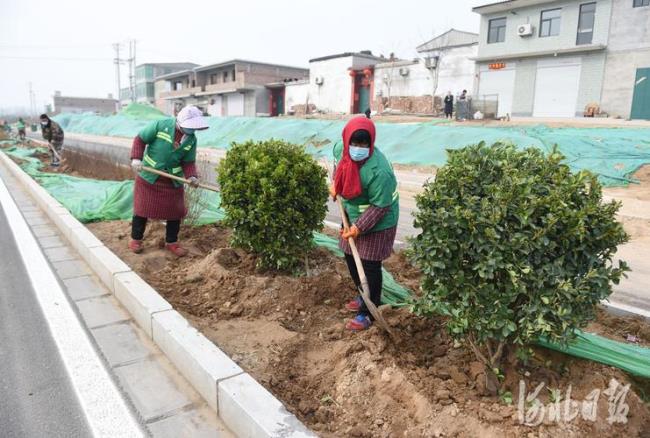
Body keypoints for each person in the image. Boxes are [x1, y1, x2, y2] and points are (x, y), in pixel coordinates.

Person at [330, 116, 399, 331]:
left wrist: (358, 228)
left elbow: (380, 206)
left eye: (364, 145)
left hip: (379, 220)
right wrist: (336, 185)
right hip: (350, 213)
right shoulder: (341, 148)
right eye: (354, 143)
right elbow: (339, 164)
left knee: (369, 264)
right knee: (350, 255)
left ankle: (369, 310)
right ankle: (363, 294)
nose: (358, 149)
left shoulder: (379, 172)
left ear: (371, 144)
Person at [128, 105, 208, 257]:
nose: (192, 130)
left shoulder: (191, 139)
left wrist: (192, 176)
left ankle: (172, 242)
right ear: (180, 122)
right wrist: (137, 158)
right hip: (149, 177)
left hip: (172, 181)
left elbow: (188, 162)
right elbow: (140, 139)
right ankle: (136, 239)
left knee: (175, 212)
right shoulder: (160, 125)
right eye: (190, 127)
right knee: (142, 209)